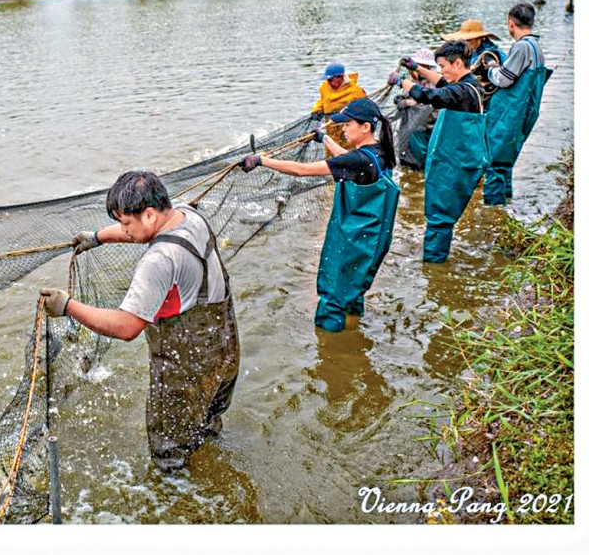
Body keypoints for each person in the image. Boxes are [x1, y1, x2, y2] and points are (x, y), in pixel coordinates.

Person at [38, 171, 239, 473]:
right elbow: (143, 231)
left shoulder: (159, 260)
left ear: (148, 214)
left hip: (185, 368)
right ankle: (213, 470)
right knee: (205, 423)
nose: (124, 230)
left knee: (169, 450)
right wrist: (98, 237)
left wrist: (67, 306)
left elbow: (126, 326)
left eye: (125, 223)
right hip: (224, 353)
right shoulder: (188, 215)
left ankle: (179, 493)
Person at [241, 97, 399, 332]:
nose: (343, 129)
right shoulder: (379, 152)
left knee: (333, 295)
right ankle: (354, 331)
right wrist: (324, 138)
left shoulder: (359, 160)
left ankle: (330, 343)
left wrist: (262, 160)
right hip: (373, 238)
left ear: (365, 127)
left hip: (354, 240)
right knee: (353, 289)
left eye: (347, 124)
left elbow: (301, 170)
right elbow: (346, 160)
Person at [397, 41, 488, 263]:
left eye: (443, 66)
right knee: (442, 212)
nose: (441, 71)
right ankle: (438, 259)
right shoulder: (469, 85)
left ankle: (433, 265)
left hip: (455, 162)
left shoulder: (462, 91)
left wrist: (403, 82)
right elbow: (442, 83)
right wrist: (417, 68)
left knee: (440, 215)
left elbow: (433, 96)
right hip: (461, 158)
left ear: (457, 64)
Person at [482, 2, 552, 206]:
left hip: (510, 114)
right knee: (505, 162)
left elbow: (504, 79)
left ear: (511, 23)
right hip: (524, 113)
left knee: (495, 163)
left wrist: (490, 69)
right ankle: (506, 207)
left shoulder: (522, 47)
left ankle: (492, 211)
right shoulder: (536, 47)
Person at [388, 48, 441, 170]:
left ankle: (419, 173)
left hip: (429, 124)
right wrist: (400, 100)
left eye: (422, 66)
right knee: (407, 147)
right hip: (415, 123)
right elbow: (412, 93)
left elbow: (427, 101)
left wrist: (407, 102)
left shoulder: (434, 82)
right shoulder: (415, 80)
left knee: (422, 151)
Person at [440, 18, 506, 103]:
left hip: (492, 97)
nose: (466, 43)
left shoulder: (488, 54)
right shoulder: (473, 51)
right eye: (464, 40)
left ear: (479, 39)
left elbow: (494, 68)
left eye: (469, 40)